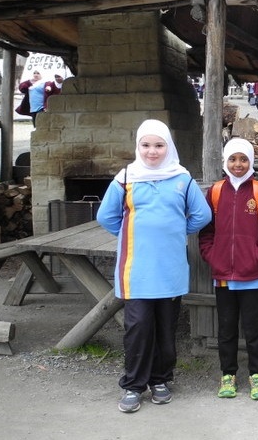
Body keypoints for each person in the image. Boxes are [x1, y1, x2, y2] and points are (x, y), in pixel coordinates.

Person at [96, 119, 212, 414]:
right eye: (146, 145)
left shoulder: (182, 179)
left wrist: (175, 229)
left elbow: (202, 215)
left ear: (168, 147)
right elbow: (107, 217)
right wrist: (132, 234)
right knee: (137, 327)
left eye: (159, 145)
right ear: (138, 146)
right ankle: (133, 385)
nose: (152, 151)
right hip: (136, 268)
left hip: (170, 268)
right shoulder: (125, 178)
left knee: (165, 328)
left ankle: (161, 380)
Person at [198, 138, 258, 402]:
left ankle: (256, 375)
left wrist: (257, 257)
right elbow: (206, 232)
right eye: (233, 159)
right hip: (222, 276)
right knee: (226, 328)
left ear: (251, 162)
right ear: (225, 161)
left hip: (251, 276)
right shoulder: (215, 191)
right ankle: (228, 374)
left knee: (253, 329)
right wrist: (214, 257)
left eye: (243, 159)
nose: (238, 164)